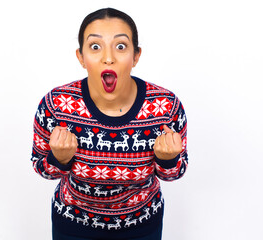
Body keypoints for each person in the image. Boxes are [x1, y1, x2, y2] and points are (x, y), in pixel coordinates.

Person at [31, 8, 188, 240]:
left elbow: (175, 172)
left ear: (136, 56)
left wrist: (168, 159)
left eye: (121, 46)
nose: (108, 57)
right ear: (81, 57)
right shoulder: (56, 105)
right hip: (73, 225)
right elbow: (41, 167)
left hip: (142, 226)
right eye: (95, 47)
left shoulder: (166, 106)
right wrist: (59, 159)